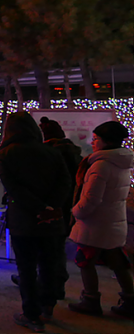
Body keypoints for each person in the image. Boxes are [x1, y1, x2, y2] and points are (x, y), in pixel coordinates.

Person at [0, 112, 71, 333]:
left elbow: (14, 188)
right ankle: (48, 305)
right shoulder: (51, 150)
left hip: (24, 219)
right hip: (52, 219)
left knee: (26, 268)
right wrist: (50, 207)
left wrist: (38, 208)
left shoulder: (6, 153)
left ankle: (31, 314)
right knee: (50, 264)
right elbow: (65, 182)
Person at [68, 121, 134, 319]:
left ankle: (90, 300)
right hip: (114, 221)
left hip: (95, 224)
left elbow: (91, 199)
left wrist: (76, 211)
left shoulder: (101, 165)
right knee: (118, 261)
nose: (92, 142)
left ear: (106, 141)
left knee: (85, 261)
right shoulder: (122, 163)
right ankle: (130, 301)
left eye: (96, 139)